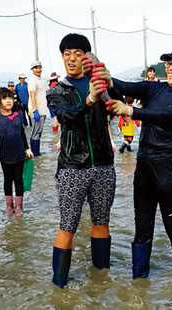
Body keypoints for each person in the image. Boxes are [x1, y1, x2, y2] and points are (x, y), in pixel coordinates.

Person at [98, 45, 172, 280]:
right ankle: (139, 282)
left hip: (169, 169)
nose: (170, 67)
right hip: (144, 166)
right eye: (168, 63)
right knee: (142, 226)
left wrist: (131, 111)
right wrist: (108, 78)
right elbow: (125, 86)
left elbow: (165, 116)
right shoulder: (154, 88)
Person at [47, 33, 120, 288]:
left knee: (101, 221)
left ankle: (101, 279)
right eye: (67, 54)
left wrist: (109, 84)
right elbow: (68, 118)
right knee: (68, 225)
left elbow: (123, 101)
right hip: (72, 167)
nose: (71, 58)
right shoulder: (56, 92)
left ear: (87, 57)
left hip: (103, 165)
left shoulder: (100, 84)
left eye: (77, 54)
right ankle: (59, 285)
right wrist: (89, 99)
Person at [0, 87, 33, 217]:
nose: (8, 101)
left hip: (19, 153)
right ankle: (9, 206)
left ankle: (19, 207)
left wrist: (27, 148)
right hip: (4, 155)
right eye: (5, 98)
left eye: (10, 98)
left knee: (18, 180)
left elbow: (22, 134)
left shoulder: (18, 115)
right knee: (8, 180)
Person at [28, 61, 48, 156]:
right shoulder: (33, 80)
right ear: (32, 70)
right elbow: (32, 95)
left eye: (39, 67)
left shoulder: (40, 80)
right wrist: (35, 110)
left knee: (39, 132)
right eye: (36, 68)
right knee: (35, 132)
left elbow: (42, 95)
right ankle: (35, 154)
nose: (38, 70)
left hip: (42, 109)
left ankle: (37, 152)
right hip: (37, 110)